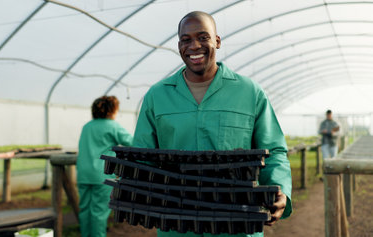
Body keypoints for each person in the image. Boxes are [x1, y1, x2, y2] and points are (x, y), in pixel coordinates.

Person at [132, 11, 292, 237]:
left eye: (203, 37)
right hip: (177, 225)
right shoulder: (157, 96)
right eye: (186, 40)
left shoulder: (249, 92)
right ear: (179, 46)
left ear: (217, 41)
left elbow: (274, 150)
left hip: (237, 223)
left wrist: (280, 189)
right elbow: (140, 157)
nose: (194, 46)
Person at [76, 96, 133, 237]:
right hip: (102, 174)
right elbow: (132, 142)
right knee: (99, 213)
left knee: (85, 210)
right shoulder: (113, 126)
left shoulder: (87, 126)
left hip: (83, 174)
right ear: (112, 110)